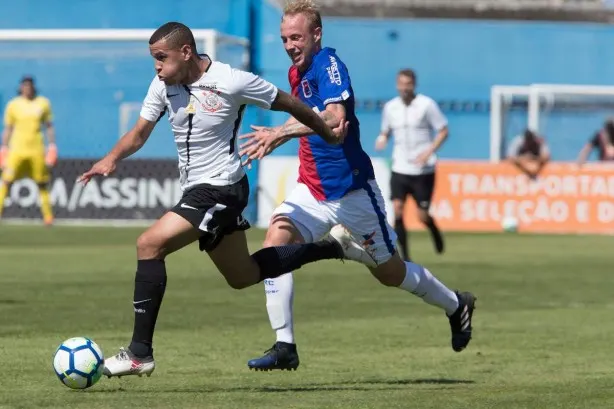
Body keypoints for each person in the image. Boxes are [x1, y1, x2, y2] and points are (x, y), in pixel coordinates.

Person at [78, 21, 371, 379]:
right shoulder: (162, 85)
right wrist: (110, 159)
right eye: (153, 59)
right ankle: (335, 247)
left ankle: (140, 353)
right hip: (198, 190)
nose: (156, 66)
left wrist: (327, 132)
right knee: (242, 275)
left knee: (149, 244)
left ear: (186, 52)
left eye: (161, 58)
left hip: (221, 188)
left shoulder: (232, 80)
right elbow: (139, 134)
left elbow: (291, 102)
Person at [240, 0, 476, 372]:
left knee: (390, 274)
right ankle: (285, 345)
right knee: (275, 242)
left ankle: (455, 303)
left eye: (297, 37)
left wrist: (279, 132)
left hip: (352, 193)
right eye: (285, 38)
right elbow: (313, 121)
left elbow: (334, 118)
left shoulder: (329, 65)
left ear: (316, 34)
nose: (290, 45)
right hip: (311, 189)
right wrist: (283, 133)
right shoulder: (295, 73)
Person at [375, 69, 446, 262]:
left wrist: (429, 151)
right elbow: (386, 130)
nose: (404, 88)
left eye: (408, 84)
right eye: (401, 83)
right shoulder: (391, 107)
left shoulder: (426, 105)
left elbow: (443, 131)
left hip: (423, 169)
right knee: (397, 209)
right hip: (400, 167)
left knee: (422, 216)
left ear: (414, 84)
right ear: (397, 84)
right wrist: (382, 138)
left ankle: (433, 229)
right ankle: (405, 256)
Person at [0, 76, 57, 225]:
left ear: (33, 87)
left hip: (37, 150)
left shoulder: (43, 103)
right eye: (24, 86)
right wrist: (4, 148)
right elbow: (8, 128)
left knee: (42, 183)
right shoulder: (13, 105)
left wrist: (52, 146)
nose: (27, 88)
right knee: (6, 181)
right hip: (16, 150)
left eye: (29, 86)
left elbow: (49, 126)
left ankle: (48, 217)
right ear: (21, 88)